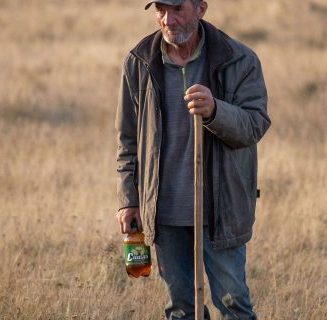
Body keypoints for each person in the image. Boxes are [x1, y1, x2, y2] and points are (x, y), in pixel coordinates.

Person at [115, 0, 271, 318]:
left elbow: (255, 124)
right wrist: (129, 199)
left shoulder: (239, 59)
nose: (167, 19)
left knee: (235, 306)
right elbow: (127, 139)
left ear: (201, 8)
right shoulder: (140, 61)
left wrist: (215, 111)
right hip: (164, 212)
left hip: (220, 209)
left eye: (177, 9)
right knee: (181, 310)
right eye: (160, 10)